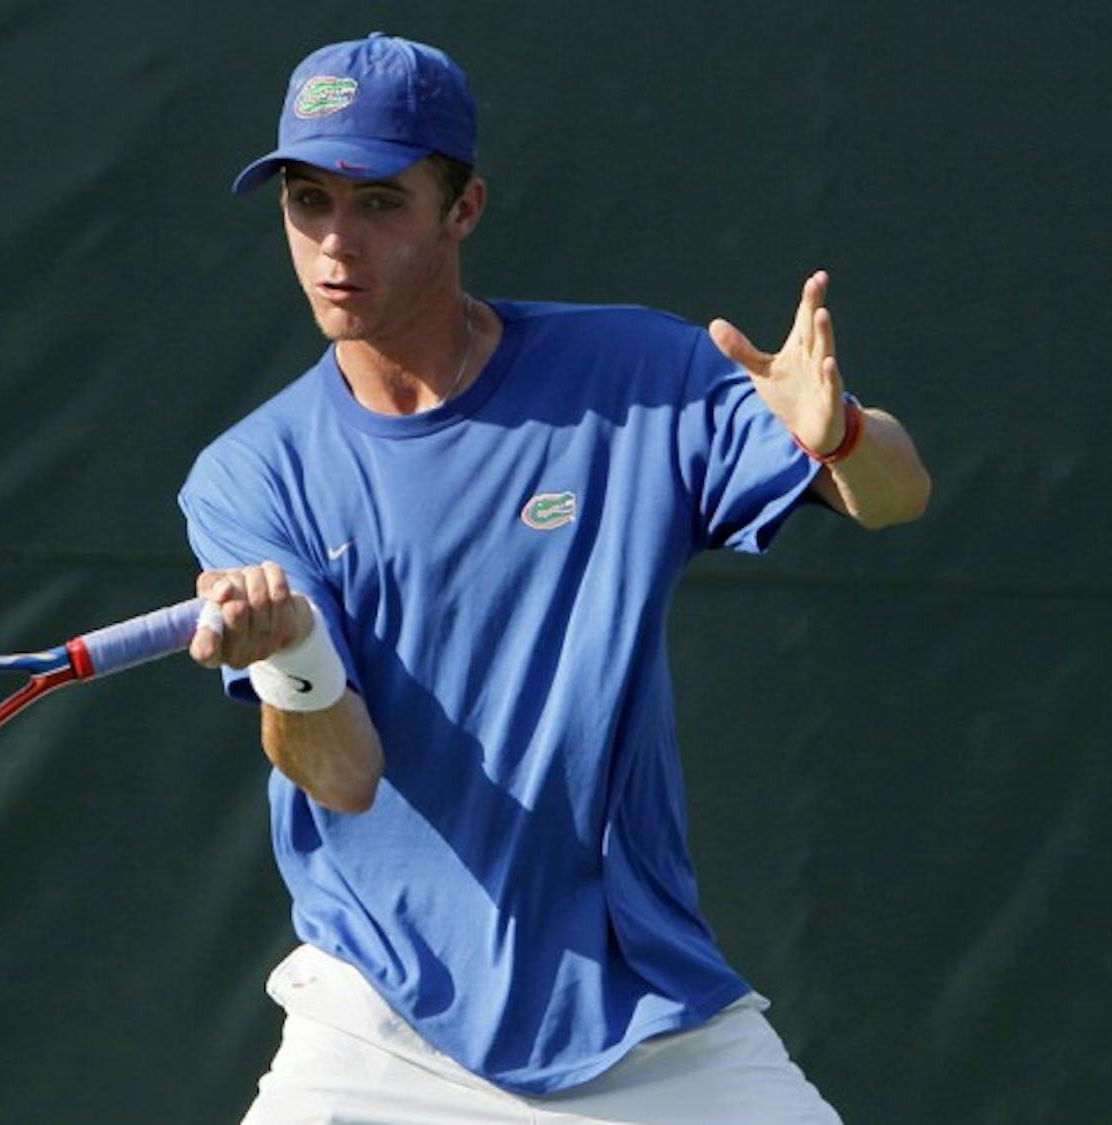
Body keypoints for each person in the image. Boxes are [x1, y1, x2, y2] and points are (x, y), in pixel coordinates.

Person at [179, 31, 930, 1124]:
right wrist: (291, 655)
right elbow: (339, 779)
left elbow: (900, 495)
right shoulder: (253, 476)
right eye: (307, 202)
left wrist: (843, 434)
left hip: (641, 1014)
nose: (334, 244)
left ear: (463, 209)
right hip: (377, 1023)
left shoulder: (636, 379)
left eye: (379, 203)